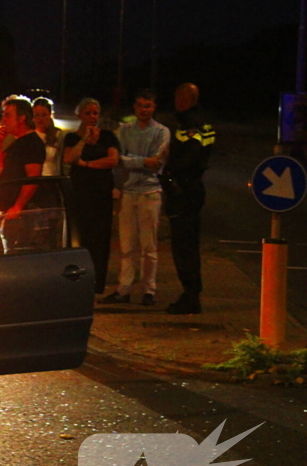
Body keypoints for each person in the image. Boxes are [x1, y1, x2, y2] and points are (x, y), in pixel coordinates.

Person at [101, 90, 170, 306]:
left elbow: (157, 161)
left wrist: (133, 160)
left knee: (149, 246)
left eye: (147, 105)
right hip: (128, 192)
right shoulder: (124, 131)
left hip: (150, 192)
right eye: (140, 105)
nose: (143, 109)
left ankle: (149, 289)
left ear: (154, 107)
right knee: (127, 245)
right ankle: (124, 288)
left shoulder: (161, 132)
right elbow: (119, 159)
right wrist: (142, 162)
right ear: (134, 107)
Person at [162, 82, 215, 314]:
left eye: (180, 97)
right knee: (188, 245)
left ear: (188, 100)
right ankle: (191, 293)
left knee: (184, 247)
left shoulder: (190, 124)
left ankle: (191, 296)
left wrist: (170, 172)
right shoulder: (203, 121)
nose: (177, 101)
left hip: (184, 191)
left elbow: (190, 157)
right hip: (191, 189)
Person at [62, 97, 119, 294]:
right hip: (80, 194)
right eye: (88, 113)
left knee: (100, 240)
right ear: (79, 115)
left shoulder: (108, 137)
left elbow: (112, 160)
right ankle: (79, 281)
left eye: (95, 113)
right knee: (81, 238)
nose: (92, 117)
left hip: (101, 194)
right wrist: (84, 139)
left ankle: (98, 283)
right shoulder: (72, 138)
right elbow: (69, 157)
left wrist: (86, 164)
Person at [0, 97, 45, 252]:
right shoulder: (16, 142)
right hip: (9, 212)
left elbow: (32, 177)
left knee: (17, 256)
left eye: (7, 115)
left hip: (21, 215)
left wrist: (18, 206)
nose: (3, 120)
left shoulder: (32, 143)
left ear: (21, 118)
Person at [32, 97, 64, 176]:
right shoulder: (29, 135)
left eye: (43, 115)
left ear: (50, 115)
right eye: (36, 115)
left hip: (51, 179)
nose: (40, 119)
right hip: (33, 179)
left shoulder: (57, 134)